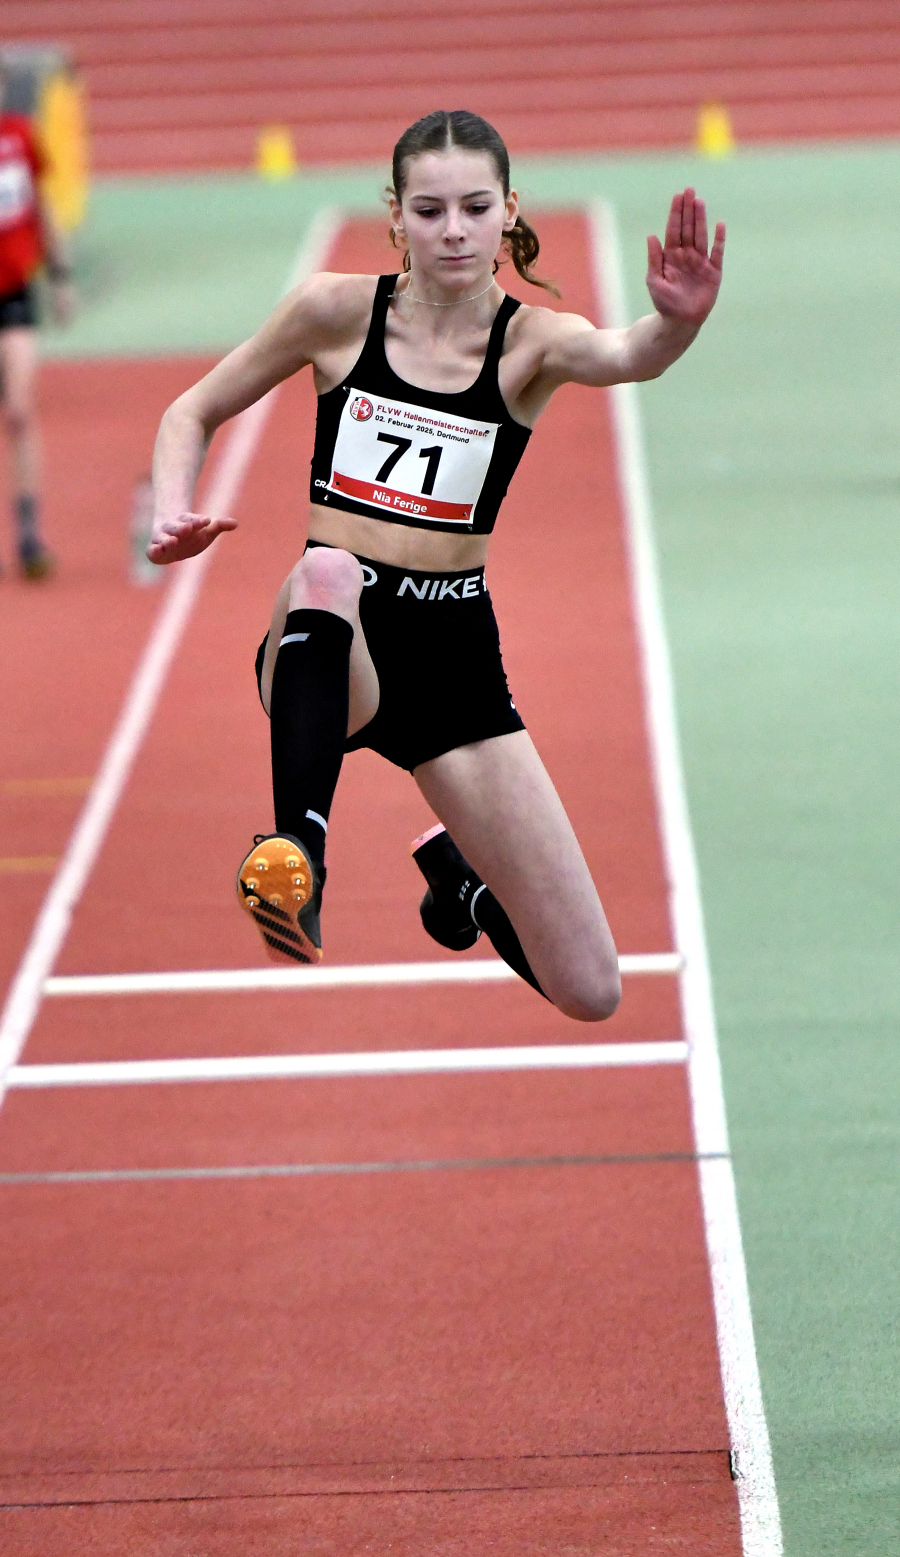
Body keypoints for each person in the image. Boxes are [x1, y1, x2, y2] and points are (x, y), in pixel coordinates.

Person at [149, 109, 724, 1022]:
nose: (453, 230)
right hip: (332, 646)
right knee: (330, 571)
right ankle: (295, 860)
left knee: (591, 989)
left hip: (454, 658)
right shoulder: (336, 312)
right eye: (429, 210)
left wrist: (677, 324)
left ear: (509, 211)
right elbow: (191, 411)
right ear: (395, 214)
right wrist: (171, 507)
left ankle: (461, 889)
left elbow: (627, 353)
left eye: (474, 208)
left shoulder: (531, 342)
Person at [0, 64, 75, 579]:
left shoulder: (21, 137)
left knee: (22, 412)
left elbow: (43, 207)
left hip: (15, 295)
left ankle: (29, 534)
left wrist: (61, 275)